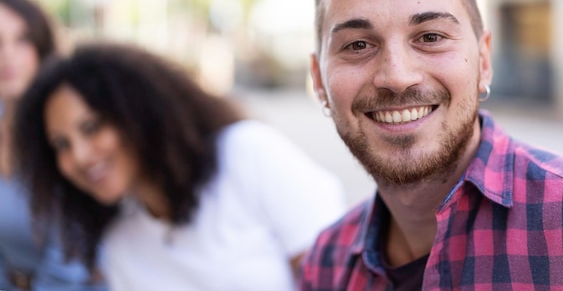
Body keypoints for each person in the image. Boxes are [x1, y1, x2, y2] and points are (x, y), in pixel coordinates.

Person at [299, 0, 563, 290]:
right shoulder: (326, 263)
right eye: (358, 45)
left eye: (431, 37)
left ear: (483, 61)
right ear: (319, 79)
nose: (397, 76)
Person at [13, 41, 346, 291]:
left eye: (92, 127)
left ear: (136, 111)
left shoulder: (246, 154)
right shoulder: (120, 244)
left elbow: (340, 276)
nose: (80, 156)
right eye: (61, 144)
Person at [0, 0, 108, 291]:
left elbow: (69, 259)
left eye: (22, 40)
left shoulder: (65, 129)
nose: (7, 54)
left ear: (41, 44)